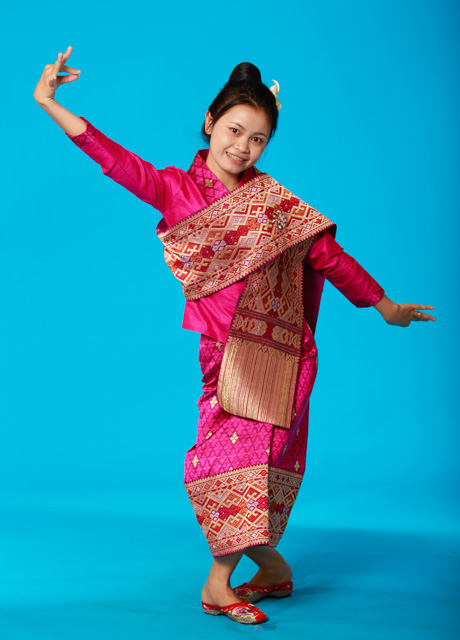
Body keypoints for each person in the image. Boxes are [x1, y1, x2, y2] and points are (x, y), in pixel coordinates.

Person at [34, 46, 436, 626]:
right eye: (235, 130)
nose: (243, 146)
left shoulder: (274, 205)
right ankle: (260, 572)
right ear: (210, 123)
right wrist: (50, 103)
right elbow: (117, 162)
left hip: (281, 355)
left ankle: (228, 582)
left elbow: (328, 256)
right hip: (224, 358)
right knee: (226, 466)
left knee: (258, 466)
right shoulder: (176, 190)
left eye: (258, 138)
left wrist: (383, 305)